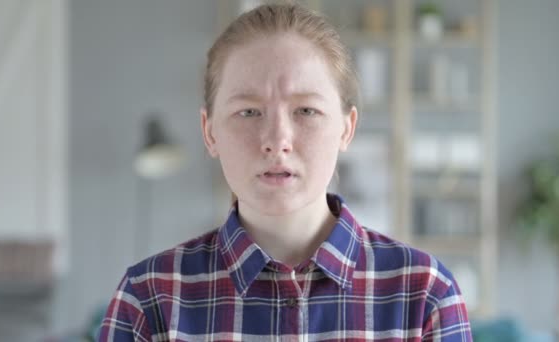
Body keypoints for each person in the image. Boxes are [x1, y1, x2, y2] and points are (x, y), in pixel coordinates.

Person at [98, 3, 472, 341]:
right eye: (248, 111)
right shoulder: (148, 299)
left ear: (347, 128)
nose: (277, 141)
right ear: (210, 132)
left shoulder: (425, 295)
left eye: (305, 111)